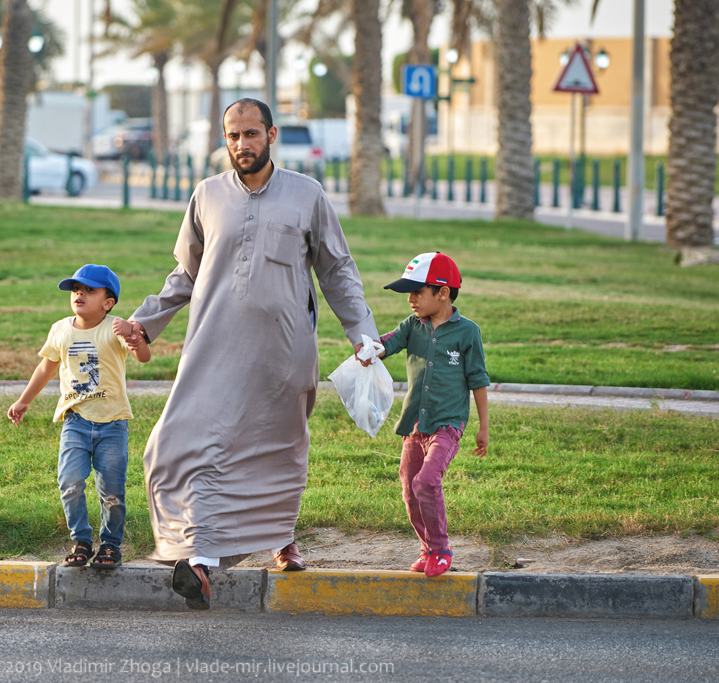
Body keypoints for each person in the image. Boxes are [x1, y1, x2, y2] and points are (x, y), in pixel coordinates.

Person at [114, 98, 379, 610]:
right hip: (212, 347)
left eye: (251, 134)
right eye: (233, 136)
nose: (242, 145)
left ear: (272, 135)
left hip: (284, 352)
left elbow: (337, 271)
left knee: (274, 447)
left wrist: (361, 333)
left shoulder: (307, 195)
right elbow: (186, 275)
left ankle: (271, 542)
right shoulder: (207, 195)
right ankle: (197, 552)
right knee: (180, 443)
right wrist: (146, 321)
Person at [8, 264, 151, 570]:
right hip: (75, 421)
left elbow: (142, 356)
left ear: (108, 302)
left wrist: (135, 338)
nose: (79, 294)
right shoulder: (60, 329)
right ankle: (82, 541)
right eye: (75, 290)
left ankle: (111, 545)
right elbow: (46, 367)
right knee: (70, 482)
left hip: (113, 424)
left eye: (89, 290)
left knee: (111, 491)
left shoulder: (116, 327)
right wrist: (23, 401)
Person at [378, 252, 490, 577]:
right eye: (409, 293)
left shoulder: (467, 332)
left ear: (443, 293)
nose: (411, 300)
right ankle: (427, 549)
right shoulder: (413, 326)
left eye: (417, 292)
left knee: (426, 481)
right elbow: (389, 343)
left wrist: (483, 428)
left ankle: (441, 549)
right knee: (409, 489)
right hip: (416, 424)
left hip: (448, 424)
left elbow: (478, 380)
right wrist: (370, 348)